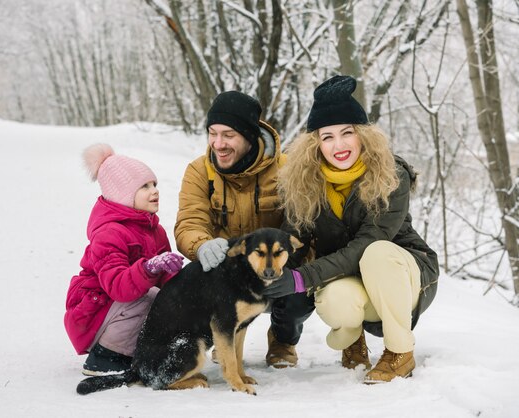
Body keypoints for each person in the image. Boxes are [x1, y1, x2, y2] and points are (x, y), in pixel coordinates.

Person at [265, 75, 439, 383]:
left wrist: (303, 277)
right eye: (327, 136)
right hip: (351, 276)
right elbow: (293, 240)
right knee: (333, 298)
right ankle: (350, 340)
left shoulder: (391, 176)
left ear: (363, 136)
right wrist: (271, 273)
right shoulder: (305, 183)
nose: (339, 145)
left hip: (403, 274)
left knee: (376, 252)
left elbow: (368, 242)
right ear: (315, 143)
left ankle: (400, 352)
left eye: (347, 133)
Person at [174, 91, 313, 368]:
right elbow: (191, 220)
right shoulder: (200, 172)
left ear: (249, 136)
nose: (218, 144)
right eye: (212, 133)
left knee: (300, 290)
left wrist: (290, 267)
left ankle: (282, 340)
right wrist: (201, 244)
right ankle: (218, 339)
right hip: (227, 271)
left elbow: (301, 226)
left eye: (228, 135)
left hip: (274, 266)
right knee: (188, 285)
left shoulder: (287, 170)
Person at [65, 143, 183, 376]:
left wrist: (183, 287)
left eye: (154, 184)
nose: (154, 191)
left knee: (165, 300)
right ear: (122, 194)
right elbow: (119, 287)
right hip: (92, 314)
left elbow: (166, 281)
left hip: (115, 310)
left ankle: (141, 350)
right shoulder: (110, 233)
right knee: (148, 298)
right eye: (144, 187)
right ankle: (107, 356)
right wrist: (149, 268)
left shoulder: (153, 229)